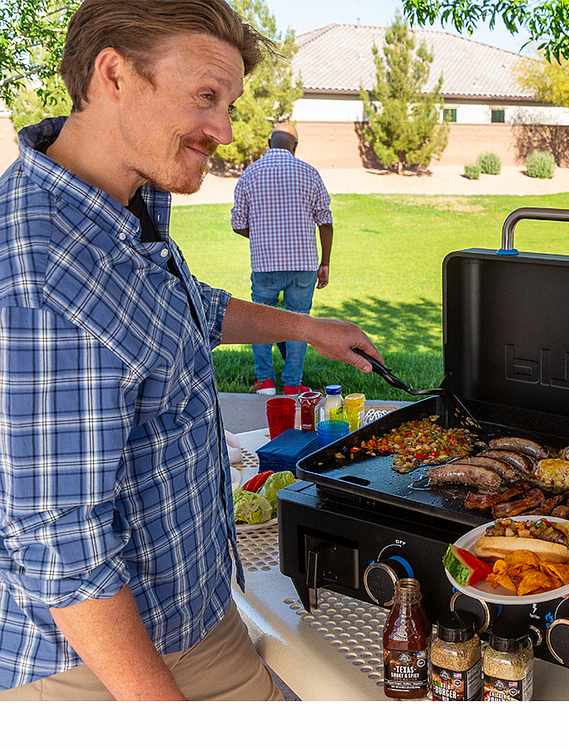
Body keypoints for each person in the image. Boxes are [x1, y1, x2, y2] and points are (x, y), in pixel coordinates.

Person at [0, 0, 381, 700]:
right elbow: (62, 552)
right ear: (113, 74)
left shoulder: (117, 207)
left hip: (192, 614)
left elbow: (185, 310)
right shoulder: (42, 275)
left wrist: (309, 329)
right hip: (104, 667)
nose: (225, 130)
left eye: (229, 104)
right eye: (206, 97)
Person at [231, 122, 333, 396]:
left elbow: (237, 223)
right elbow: (325, 221)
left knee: (259, 321)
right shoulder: (309, 173)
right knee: (300, 322)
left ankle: (265, 382)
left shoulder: (250, 174)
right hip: (303, 265)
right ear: (295, 147)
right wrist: (325, 263)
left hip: (265, 265)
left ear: (268, 143)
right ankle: (292, 384)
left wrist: (262, 236)